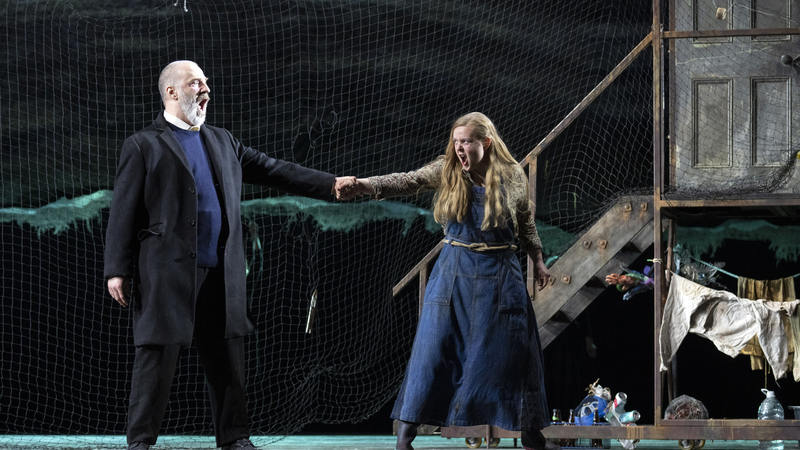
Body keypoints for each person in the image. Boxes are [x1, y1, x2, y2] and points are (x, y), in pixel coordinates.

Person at [104, 60, 355, 450]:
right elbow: (123, 209)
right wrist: (115, 270)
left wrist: (330, 184)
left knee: (227, 361)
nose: (205, 90)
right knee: (156, 360)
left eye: (206, 83)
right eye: (195, 83)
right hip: (167, 273)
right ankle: (140, 442)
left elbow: (275, 170)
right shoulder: (143, 144)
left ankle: (235, 437)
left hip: (221, 271)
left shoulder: (223, 140)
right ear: (171, 92)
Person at [338, 112, 559, 450]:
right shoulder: (448, 171)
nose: (459, 148)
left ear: (485, 142)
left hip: (501, 270)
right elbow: (408, 180)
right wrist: (364, 185)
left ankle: (530, 432)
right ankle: (405, 435)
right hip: (454, 270)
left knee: (517, 350)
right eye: (456, 141)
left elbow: (525, 222)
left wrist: (539, 261)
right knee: (433, 348)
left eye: (466, 141)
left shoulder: (513, 175)